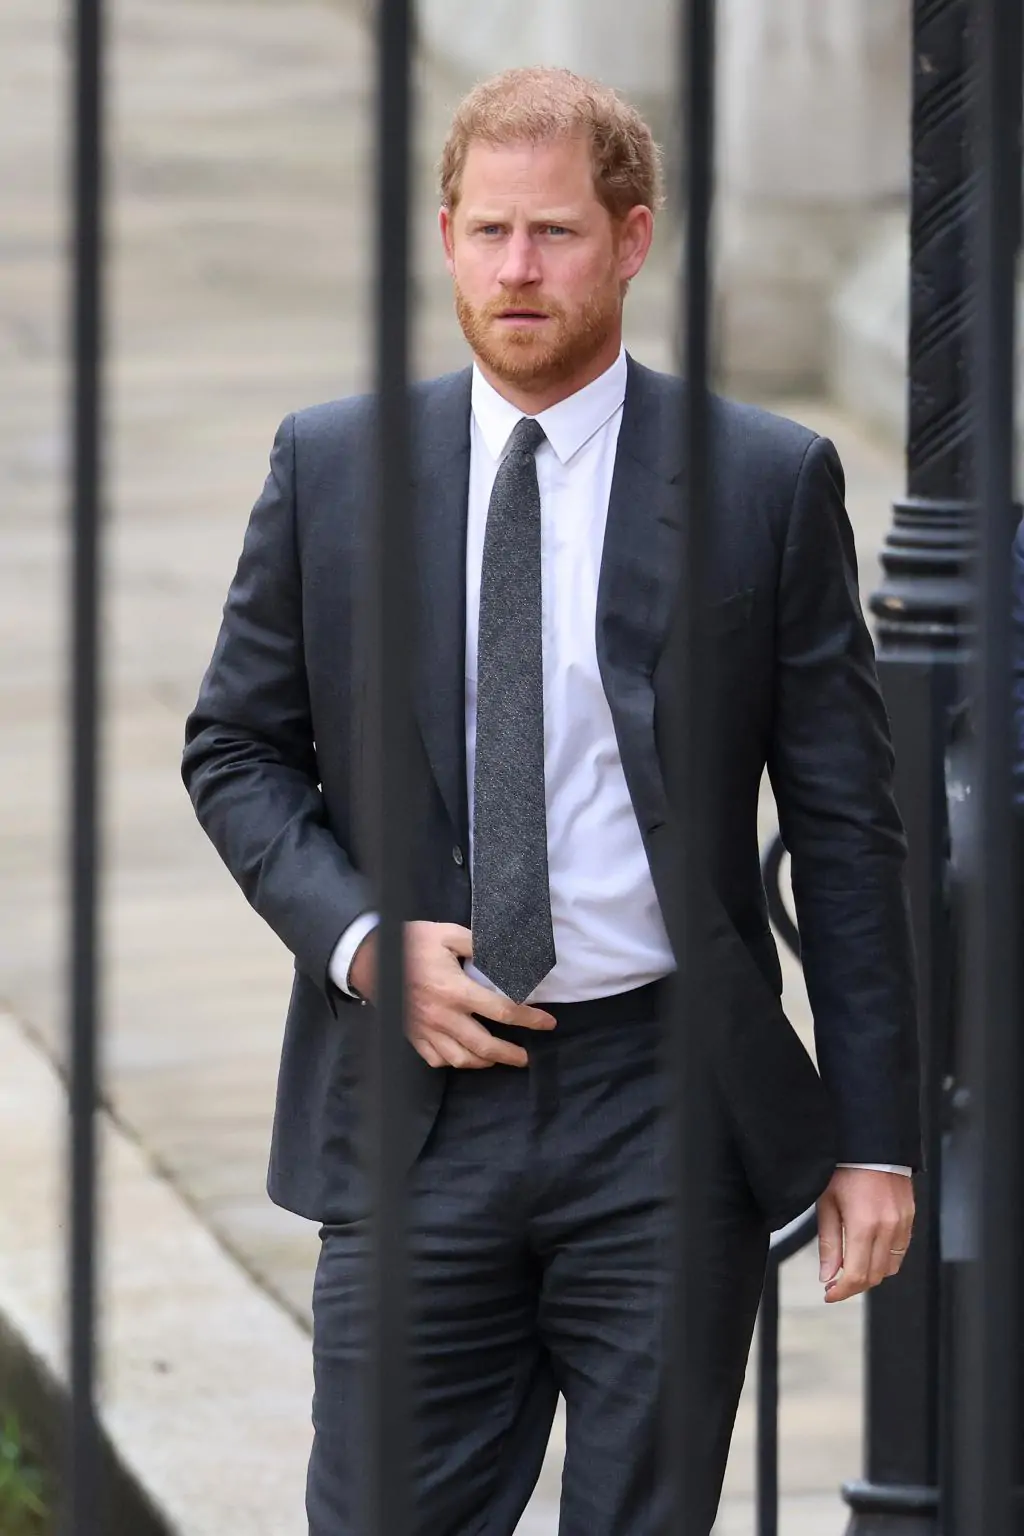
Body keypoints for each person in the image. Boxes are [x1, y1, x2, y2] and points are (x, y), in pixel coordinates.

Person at [182, 66, 920, 1536]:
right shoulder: (333, 469)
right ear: (446, 237)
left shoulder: (764, 482)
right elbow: (236, 749)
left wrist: (875, 1139)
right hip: (418, 1102)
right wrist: (362, 943)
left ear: (633, 240)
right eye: (490, 231)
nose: (518, 269)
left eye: (557, 232)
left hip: (665, 1103)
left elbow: (848, 831)